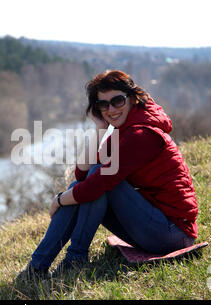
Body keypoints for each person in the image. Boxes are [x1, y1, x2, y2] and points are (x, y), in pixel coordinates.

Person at [18, 70, 198, 280]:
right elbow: (82, 175)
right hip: (151, 225)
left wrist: (59, 200)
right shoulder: (125, 129)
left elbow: (96, 182)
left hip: (172, 233)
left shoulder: (141, 134)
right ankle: (39, 267)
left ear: (132, 99)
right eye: (103, 105)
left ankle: (64, 260)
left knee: (97, 183)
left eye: (117, 101)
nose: (111, 109)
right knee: (90, 184)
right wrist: (100, 128)